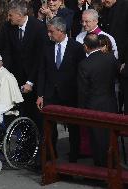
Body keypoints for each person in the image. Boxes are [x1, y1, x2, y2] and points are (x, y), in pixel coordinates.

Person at [37, 17, 86, 162]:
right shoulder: (47, 46)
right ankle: (50, 156)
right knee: (49, 128)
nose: (49, 34)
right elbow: (42, 71)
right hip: (50, 93)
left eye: (51, 32)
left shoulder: (76, 47)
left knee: (73, 127)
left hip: (70, 94)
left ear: (61, 31)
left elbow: (80, 72)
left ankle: (74, 157)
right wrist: (40, 94)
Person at [4, 0, 48, 134]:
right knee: (21, 113)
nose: (8, 17)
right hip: (17, 78)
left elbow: (40, 58)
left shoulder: (38, 27)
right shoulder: (8, 27)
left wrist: (31, 81)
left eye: (10, 15)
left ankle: (40, 147)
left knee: (36, 115)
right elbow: (8, 52)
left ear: (19, 14)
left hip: (34, 79)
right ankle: (26, 145)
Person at [78, 33, 118, 167]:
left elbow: (83, 91)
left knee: (96, 139)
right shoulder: (111, 58)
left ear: (86, 46)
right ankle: (112, 165)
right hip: (111, 102)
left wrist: (81, 109)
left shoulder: (85, 64)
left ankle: (100, 168)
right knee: (110, 137)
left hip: (93, 105)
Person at [99, 0, 128, 114]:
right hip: (109, 62)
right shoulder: (104, 9)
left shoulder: (126, 7)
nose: (102, 1)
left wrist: (126, 62)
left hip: (123, 63)